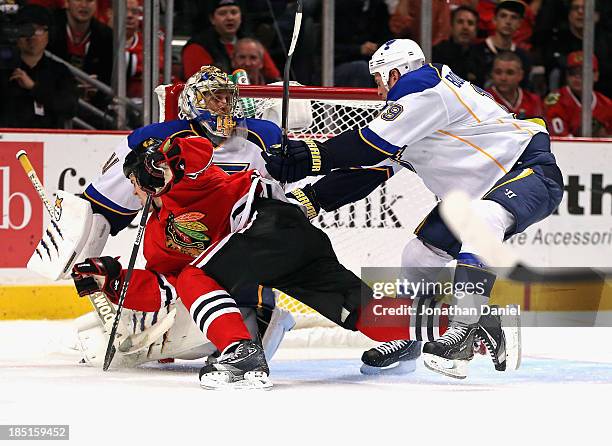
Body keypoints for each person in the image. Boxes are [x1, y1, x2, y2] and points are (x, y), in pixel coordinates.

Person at [262, 38, 556, 378]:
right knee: (419, 256)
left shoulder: (424, 85)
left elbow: (367, 146)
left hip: (526, 170)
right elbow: (369, 171)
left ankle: (464, 326)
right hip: (475, 193)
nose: (377, 89)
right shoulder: (416, 110)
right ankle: (411, 333)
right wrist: (310, 200)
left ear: (396, 71)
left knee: (484, 218)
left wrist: (310, 156)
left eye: (378, 78)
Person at [0, 5, 78, 129]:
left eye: (39, 30)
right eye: (26, 29)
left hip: (49, 143)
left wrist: (34, 88)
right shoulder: (3, 69)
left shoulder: (59, 71)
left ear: (49, 35)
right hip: (7, 143)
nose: (32, 36)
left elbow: (70, 108)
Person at [181, 0, 280, 82]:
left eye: (234, 12)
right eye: (222, 13)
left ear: (241, 16)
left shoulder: (252, 44)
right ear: (212, 19)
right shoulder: (196, 47)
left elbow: (275, 79)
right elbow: (198, 86)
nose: (229, 18)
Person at [544, 52, 612, 137]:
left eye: (583, 73)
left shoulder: (607, 104)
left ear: (596, 76)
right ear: (566, 75)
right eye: (572, 73)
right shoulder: (555, 101)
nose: (577, 77)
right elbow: (561, 140)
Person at [48, 0, 114, 88]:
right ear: (66, 3)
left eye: (90, 0)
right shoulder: (48, 27)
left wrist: (98, 82)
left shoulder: (106, 35)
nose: (84, 5)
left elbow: (107, 77)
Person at [470, 0, 532, 89]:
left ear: (519, 23)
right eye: (503, 16)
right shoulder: (475, 52)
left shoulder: (523, 57)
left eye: (513, 17)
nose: (508, 21)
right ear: (494, 20)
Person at [432, 5, 480, 84]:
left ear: (476, 29)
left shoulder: (481, 56)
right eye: (460, 22)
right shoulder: (437, 53)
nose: (465, 27)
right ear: (451, 26)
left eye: (470, 23)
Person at [487, 51, 543, 119]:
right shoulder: (483, 100)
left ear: (520, 75)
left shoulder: (534, 100)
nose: (503, 78)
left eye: (510, 73)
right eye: (498, 72)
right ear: (492, 74)